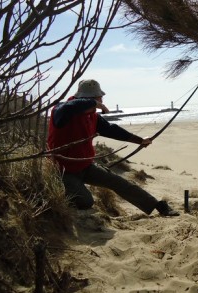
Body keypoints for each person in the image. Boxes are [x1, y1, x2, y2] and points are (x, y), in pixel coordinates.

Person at [47, 79, 179, 216]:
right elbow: (69, 107)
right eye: (99, 99)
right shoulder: (61, 111)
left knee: (119, 182)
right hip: (62, 171)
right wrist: (95, 103)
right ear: (88, 99)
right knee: (85, 201)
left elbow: (112, 130)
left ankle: (157, 206)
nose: (101, 102)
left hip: (85, 166)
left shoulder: (92, 116)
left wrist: (140, 141)